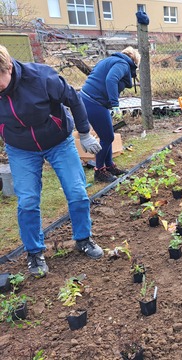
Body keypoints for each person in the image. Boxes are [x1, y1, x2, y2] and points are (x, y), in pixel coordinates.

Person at [0, 45, 104, 277]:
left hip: (58, 141)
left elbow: (74, 99)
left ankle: (83, 238)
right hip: (20, 148)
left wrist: (85, 133)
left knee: (77, 191)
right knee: (27, 200)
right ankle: (34, 252)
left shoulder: (40, 77)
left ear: (8, 67)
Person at [81, 46, 141, 183]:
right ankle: (99, 171)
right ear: (135, 61)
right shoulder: (122, 64)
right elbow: (111, 80)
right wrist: (115, 104)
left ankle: (109, 166)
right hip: (93, 101)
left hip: (92, 100)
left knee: (108, 136)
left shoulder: (112, 60)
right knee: (107, 137)